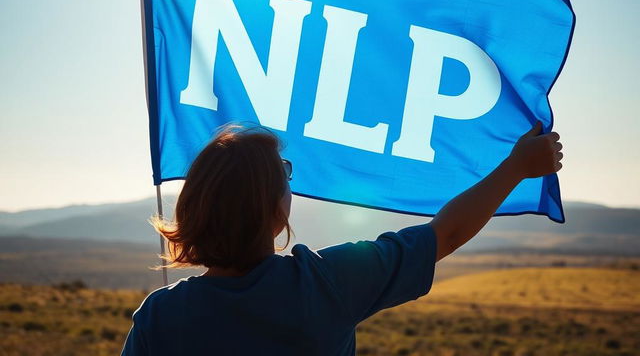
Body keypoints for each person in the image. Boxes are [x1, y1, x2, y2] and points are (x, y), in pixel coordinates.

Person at [122, 121, 562, 355]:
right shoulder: (325, 283)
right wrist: (515, 169)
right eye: (285, 174)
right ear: (274, 208)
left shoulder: (161, 316)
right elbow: (445, 234)